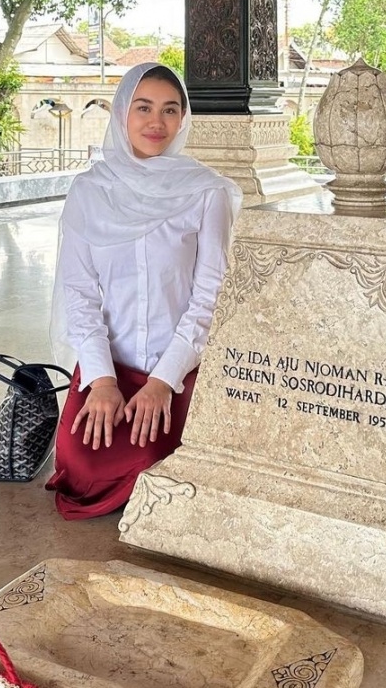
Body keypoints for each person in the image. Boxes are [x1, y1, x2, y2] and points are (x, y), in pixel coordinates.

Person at [45, 62, 242, 520]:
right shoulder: (90, 191)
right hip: (108, 369)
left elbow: (210, 294)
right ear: (121, 114)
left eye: (171, 110)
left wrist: (162, 381)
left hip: (174, 368)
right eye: (144, 107)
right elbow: (80, 294)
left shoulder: (206, 193)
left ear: (183, 119)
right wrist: (101, 380)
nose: (157, 122)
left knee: (149, 461)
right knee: (81, 471)